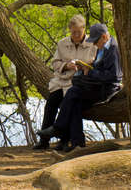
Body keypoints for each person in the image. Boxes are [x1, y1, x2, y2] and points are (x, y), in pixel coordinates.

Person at [37, 23, 123, 152]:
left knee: (73, 92)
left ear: (104, 37)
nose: (93, 44)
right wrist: (87, 67)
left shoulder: (113, 50)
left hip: (106, 89)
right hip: (97, 85)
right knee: (74, 102)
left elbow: (114, 76)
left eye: (95, 41)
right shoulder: (102, 47)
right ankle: (77, 143)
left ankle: (58, 128)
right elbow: (100, 67)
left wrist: (91, 72)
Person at [33, 14, 97, 150]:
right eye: (73, 32)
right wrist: (67, 65)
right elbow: (55, 63)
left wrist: (84, 66)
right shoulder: (62, 43)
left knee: (67, 105)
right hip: (62, 80)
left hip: (79, 82)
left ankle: (64, 140)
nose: (76, 35)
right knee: (51, 103)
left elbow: (96, 64)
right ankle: (44, 140)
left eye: (79, 32)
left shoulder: (92, 44)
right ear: (69, 30)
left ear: (84, 29)